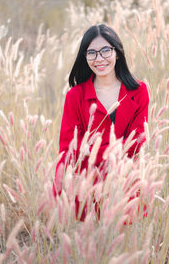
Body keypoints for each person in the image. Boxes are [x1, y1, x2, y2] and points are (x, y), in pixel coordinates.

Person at [53, 24, 149, 210]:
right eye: (92, 53)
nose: (99, 58)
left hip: (126, 186)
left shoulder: (139, 91)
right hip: (85, 190)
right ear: (85, 57)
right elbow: (68, 148)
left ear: (118, 52)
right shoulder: (75, 96)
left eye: (106, 50)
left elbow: (138, 142)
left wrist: (90, 149)